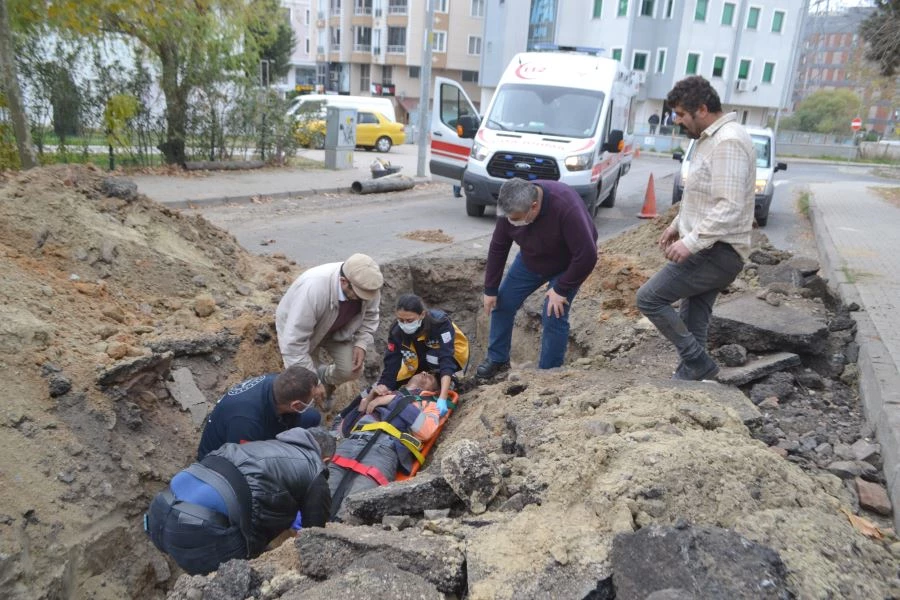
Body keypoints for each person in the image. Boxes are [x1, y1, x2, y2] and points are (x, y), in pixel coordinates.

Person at [635, 76, 755, 381]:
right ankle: (692, 382)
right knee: (693, 320)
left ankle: (699, 364)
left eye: (680, 115)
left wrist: (691, 241)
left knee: (649, 298)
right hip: (711, 247)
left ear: (701, 109)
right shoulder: (710, 140)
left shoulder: (727, 142)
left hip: (716, 251)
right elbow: (705, 196)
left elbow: (729, 205)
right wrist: (678, 224)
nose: (677, 122)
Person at [145, 427, 335, 575]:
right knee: (241, 579)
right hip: (195, 528)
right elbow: (314, 536)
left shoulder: (265, 444)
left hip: (160, 509)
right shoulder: (314, 470)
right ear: (325, 459)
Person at [475, 177, 598, 378]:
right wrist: (490, 289)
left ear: (534, 207)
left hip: (567, 265)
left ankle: (548, 374)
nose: (511, 222)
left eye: (516, 219)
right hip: (531, 259)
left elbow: (587, 255)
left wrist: (562, 289)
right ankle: (497, 359)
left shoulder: (565, 207)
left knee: (553, 312)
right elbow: (499, 246)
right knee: (502, 303)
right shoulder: (511, 204)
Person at [328, 372, 440, 516]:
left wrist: (393, 400)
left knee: (353, 509)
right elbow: (345, 430)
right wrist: (368, 400)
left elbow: (426, 430)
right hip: (351, 442)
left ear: (434, 391)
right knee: (322, 499)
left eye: (431, 377)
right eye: (422, 371)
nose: (425, 373)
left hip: (385, 449)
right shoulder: (384, 392)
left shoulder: (430, 404)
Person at [275, 253, 384, 397]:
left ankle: (324, 377)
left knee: (352, 370)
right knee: (304, 389)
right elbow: (294, 343)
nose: (364, 299)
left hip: (337, 330)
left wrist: (361, 343)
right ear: (344, 281)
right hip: (305, 333)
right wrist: (313, 383)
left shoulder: (367, 284)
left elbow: (371, 315)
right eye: (359, 295)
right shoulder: (313, 289)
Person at [196, 365, 325, 461]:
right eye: (312, 397)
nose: (316, 399)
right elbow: (243, 463)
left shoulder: (278, 383)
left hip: (263, 420)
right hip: (219, 460)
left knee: (312, 417)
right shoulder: (246, 422)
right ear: (296, 405)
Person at [374, 293, 469, 416]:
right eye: (401, 320)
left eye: (409, 320)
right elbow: (392, 364)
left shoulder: (439, 322)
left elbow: (447, 358)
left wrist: (443, 396)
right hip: (420, 355)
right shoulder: (396, 331)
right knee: (397, 378)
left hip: (453, 353)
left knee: (432, 359)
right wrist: (383, 386)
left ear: (422, 314)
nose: (404, 324)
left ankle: (447, 382)